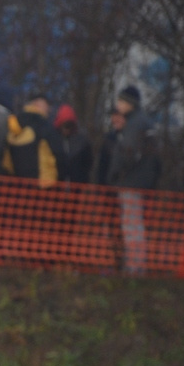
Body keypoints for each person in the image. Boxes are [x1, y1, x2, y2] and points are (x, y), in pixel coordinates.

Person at [107, 85, 160, 274]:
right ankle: (137, 265)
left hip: (131, 181)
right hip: (143, 180)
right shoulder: (145, 122)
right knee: (135, 223)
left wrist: (116, 173)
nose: (118, 105)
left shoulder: (135, 123)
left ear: (130, 104)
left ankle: (135, 267)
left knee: (131, 225)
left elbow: (128, 153)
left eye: (121, 101)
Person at [2, 92, 62, 189]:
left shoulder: (15, 126)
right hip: (43, 188)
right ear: (38, 104)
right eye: (47, 105)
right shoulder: (44, 127)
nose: (49, 109)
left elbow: (6, 162)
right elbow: (58, 156)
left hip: (16, 188)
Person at [52, 104, 94, 185]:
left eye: (69, 125)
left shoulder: (82, 142)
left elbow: (88, 164)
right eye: (64, 125)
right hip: (57, 187)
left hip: (77, 187)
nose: (67, 129)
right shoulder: (54, 140)